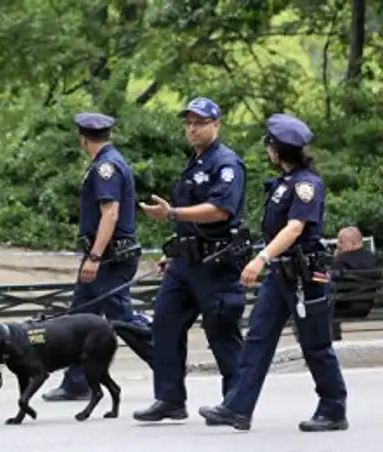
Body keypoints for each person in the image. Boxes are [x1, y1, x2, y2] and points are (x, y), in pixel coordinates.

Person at [199, 113, 349, 432]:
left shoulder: (307, 185)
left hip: (305, 277)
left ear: (279, 150)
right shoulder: (284, 183)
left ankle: (334, 408)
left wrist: (261, 258)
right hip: (281, 275)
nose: (267, 150)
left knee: (315, 343)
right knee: (258, 338)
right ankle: (237, 407)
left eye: (269, 145)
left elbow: (295, 228)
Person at [135, 97, 249, 422]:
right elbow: (189, 220)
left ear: (217, 125)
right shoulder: (195, 164)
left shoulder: (226, 163)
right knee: (165, 325)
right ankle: (169, 398)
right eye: (188, 122)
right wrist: (172, 252)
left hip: (216, 264)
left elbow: (220, 210)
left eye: (200, 122)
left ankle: (237, 403)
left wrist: (171, 211)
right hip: (185, 264)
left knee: (221, 331)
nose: (193, 128)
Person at [42, 112, 153, 402]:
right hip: (105, 254)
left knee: (121, 318)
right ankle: (77, 381)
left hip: (109, 256)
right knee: (81, 318)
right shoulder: (107, 162)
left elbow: (110, 213)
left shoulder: (106, 167)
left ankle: (166, 366)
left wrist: (94, 257)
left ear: (82, 138)